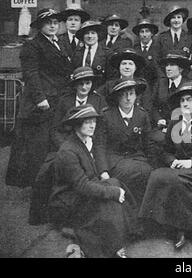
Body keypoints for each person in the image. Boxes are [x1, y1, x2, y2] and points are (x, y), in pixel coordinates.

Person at [6, 8, 73, 225]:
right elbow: (31, 74)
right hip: (40, 104)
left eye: (55, 22)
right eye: (48, 23)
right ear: (40, 26)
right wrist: (40, 98)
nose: (53, 25)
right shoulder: (32, 45)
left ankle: (51, 194)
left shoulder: (59, 43)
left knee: (54, 146)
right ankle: (39, 199)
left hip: (58, 99)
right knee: (39, 150)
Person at [139, 81, 192, 252]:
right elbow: (166, 151)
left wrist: (190, 162)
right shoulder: (174, 124)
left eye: (189, 100)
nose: (185, 104)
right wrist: (172, 161)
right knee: (157, 175)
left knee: (174, 180)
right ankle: (178, 226)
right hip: (178, 170)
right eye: (182, 100)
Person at [48, 104, 137, 258]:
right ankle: (112, 248)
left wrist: (112, 188)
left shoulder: (85, 141)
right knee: (108, 200)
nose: (92, 125)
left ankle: (118, 238)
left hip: (80, 193)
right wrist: (113, 192)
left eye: (94, 121)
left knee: (114, 183)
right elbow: (81, 186)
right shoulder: (67, 151)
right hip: (68, 202)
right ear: (76, 124)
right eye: (87, 121)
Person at [97, 78, 157, 204]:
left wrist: (153, 165)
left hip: (137, 158)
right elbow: (100, 145)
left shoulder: (142, 115)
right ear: (118, 97)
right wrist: (103, 171)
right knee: (133, 173)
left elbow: (148, 143)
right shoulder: (106, 115)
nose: (128, 98)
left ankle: (139, 213)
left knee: (149, 174)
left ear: (136, 96)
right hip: (115, 159)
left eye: (131, 94)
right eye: (124, 95)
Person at [50, 66, 106, 152]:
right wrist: (64, 146)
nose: (84, 87)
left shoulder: (98, 100)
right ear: (75, 85)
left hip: (92, 146)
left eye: (88, 83)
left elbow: (102, 129)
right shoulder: (65, 101)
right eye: (81, 84)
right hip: (68, 144)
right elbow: (55, 129)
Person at [145, 49, 192, 128]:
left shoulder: (189, 84)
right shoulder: (160, 83)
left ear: (180, 69)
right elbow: (153, 105)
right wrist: (158, 119)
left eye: (172, 65)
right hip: (161, 126)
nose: (168, 68)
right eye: (167, 65)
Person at [72, 20, 109, 87]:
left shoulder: (107, 53)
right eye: (87, 33)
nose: (90, 36)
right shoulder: (77, 53)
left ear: (98, 35)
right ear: (83, 36)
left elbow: (110, 77)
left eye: (93, 33)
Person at [132, 18, 160, 85]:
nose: (144, 35)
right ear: (138, 34)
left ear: (152, 33)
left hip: (154, 84)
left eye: (147, 31)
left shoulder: (158, 48)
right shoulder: (134, 49)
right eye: (142, 32)